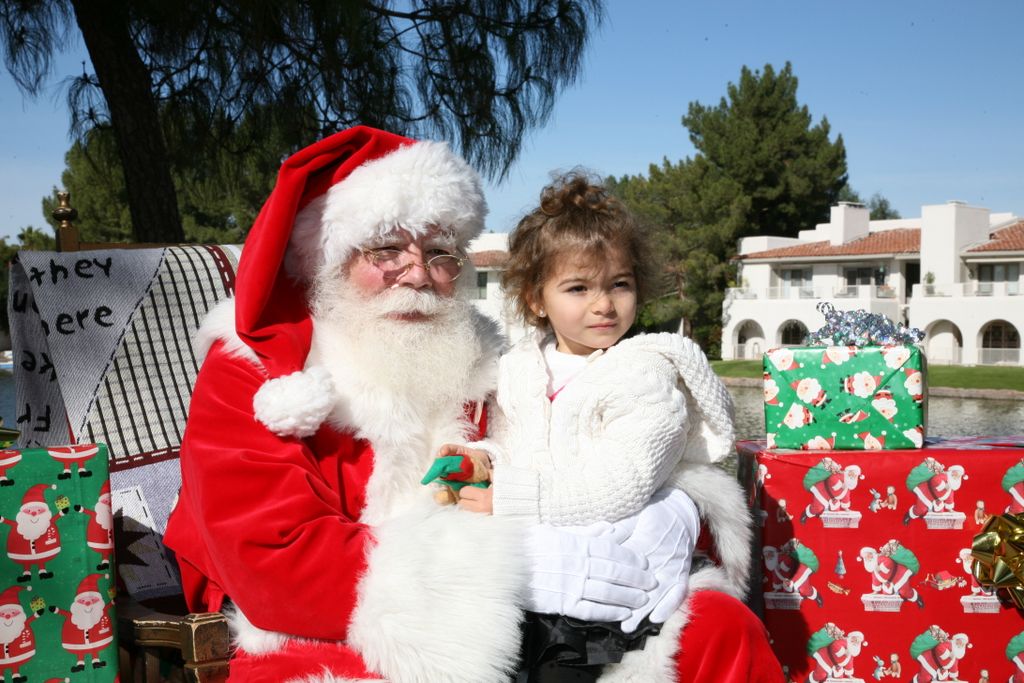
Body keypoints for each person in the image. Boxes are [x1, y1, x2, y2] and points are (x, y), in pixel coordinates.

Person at [163, 126, 782, 682]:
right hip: (341, 621)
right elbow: (274, 561)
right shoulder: (260, 371)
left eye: (439, 254)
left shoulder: (491, 363)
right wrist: (515, 569)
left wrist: (669, 515)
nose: (417, 272)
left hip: (533, 608)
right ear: (327, 261)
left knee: (717, 627)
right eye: (385, 250)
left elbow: (586, 467)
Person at [427, 173, 742, 679]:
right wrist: (483, 458)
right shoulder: (521, 368)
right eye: (579, 288)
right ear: (536, 300)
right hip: (534, 571)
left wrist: (506, 496)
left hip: (606, 591)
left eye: (620, 284)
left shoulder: (645, 374)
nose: (604, 303)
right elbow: (520, 446)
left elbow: (624, 484)